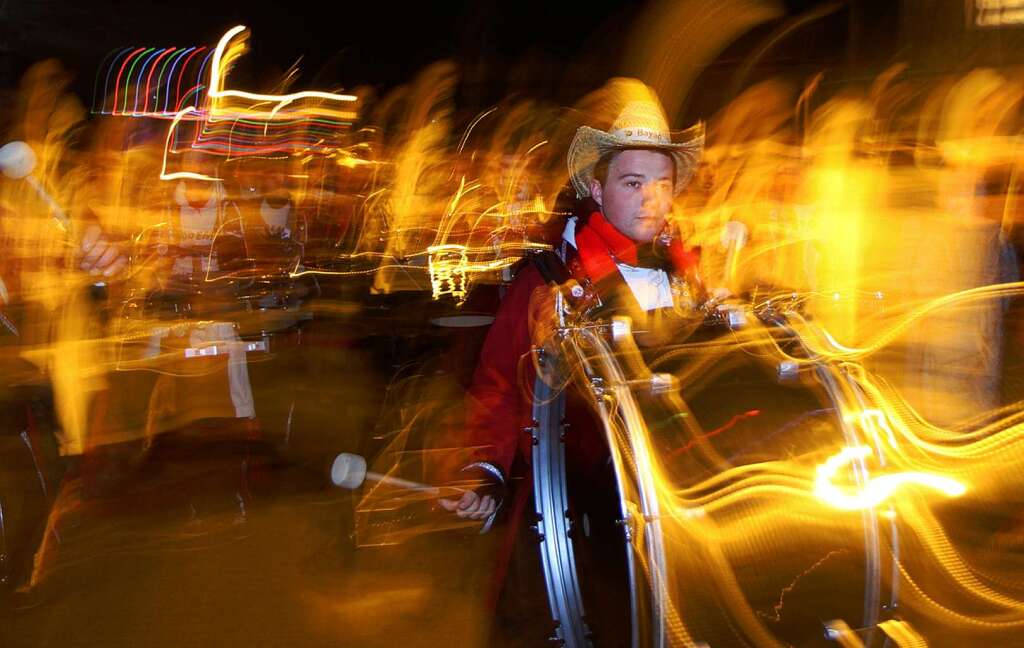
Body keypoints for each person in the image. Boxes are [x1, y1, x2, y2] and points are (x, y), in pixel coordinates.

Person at [440, 81, 704, 527]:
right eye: (633, 182)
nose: (650, 199)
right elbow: (498, 385)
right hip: (582, 517)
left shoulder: (690, 273)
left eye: (662, 183)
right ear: (598, 191)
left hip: (678, 506)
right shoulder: (550, 279)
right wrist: (483, 469)